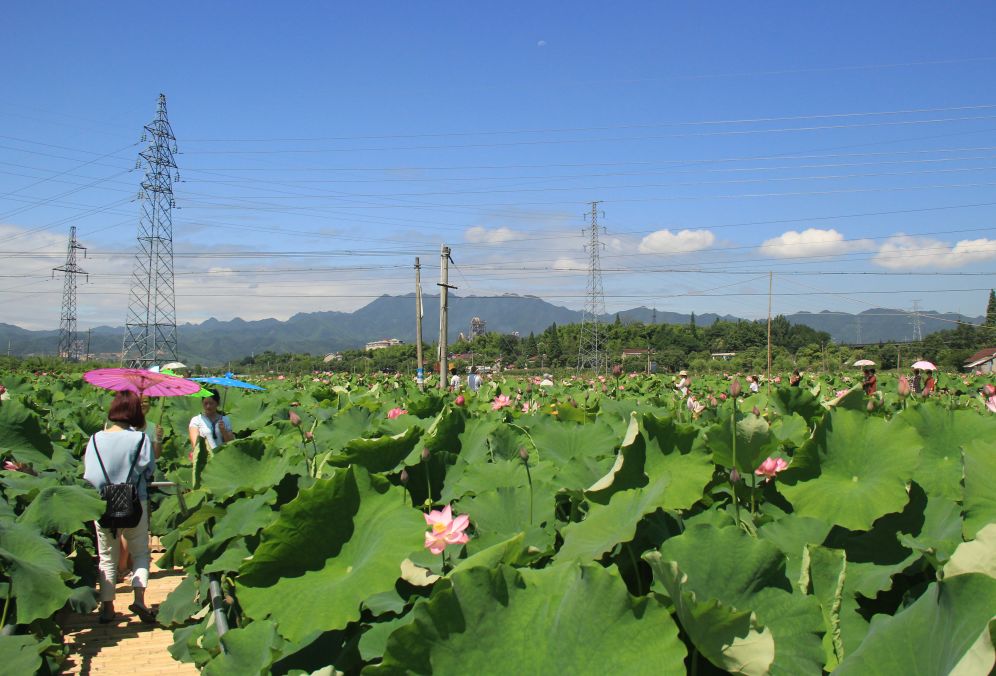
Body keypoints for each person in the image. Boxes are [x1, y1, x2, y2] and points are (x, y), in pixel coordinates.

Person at [83, 390, 156, 624]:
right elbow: (149, 470)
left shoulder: (95, 439)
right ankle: (139, 599)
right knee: (141, 552)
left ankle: (107, 607)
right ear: (134, 412)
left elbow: (90, 475)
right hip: (136, 502)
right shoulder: (141, 439)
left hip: (103, 503)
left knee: (106, 556)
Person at [188, 389, 233, 457]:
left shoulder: (225, 420)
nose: (208, 406)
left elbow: (231, 443)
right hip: (204, 457)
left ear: (217, 403)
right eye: (205, 403)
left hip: (222, 457)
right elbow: (195, 444)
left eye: (211, 403)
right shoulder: (196, 420)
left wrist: (223, 431)